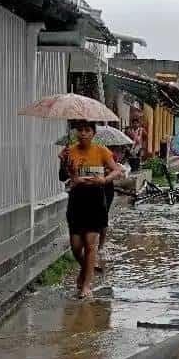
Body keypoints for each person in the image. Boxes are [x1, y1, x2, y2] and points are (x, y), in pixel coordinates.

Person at [60, 121, 122, 298]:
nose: (83, 134)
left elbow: (116, 170)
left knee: (90, 243)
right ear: (76, 133)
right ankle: (86, 268)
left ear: (93, 133)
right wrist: (67, 167)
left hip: (95, 198)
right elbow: (62, 176)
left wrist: (104, 180)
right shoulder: (69, 151)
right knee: (75, 245)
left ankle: (86, 285)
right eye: (80, 130)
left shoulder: (101, 150)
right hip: (76, 200)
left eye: (87, 130)